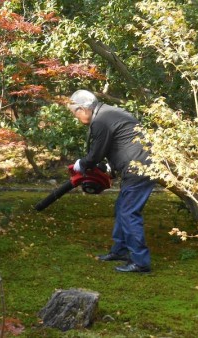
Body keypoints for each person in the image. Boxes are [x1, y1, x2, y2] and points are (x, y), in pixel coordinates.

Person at [68, 89, 155, 273]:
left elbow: (96, 154)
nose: (76, 117)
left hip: (139, 168)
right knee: (122, 208)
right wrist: (110, 168)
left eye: (75, 113)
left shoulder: (101, 120)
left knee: (129, 212)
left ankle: (141, 263)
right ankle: (120, 251)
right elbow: (120, 144)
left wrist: (81, 164)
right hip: (139, 165)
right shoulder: (108, 113)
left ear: (83, 109)